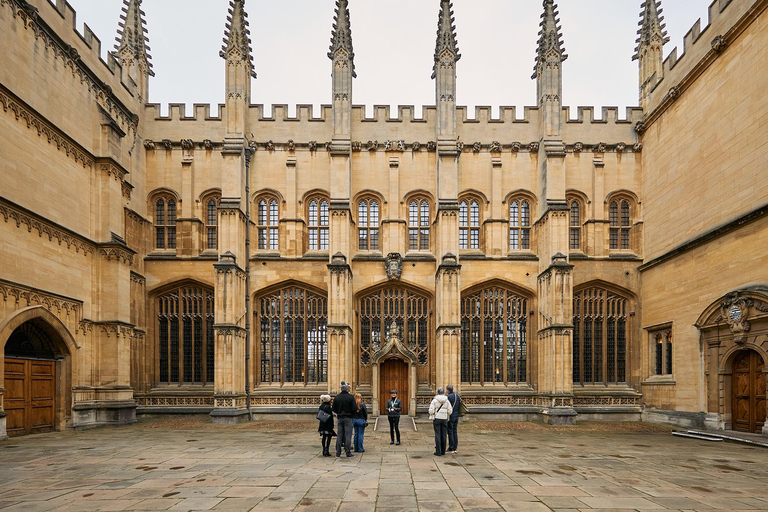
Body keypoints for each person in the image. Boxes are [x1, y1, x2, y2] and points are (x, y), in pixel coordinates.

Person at [331, 381, 356, 458]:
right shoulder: (351, 397)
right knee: (348, 436)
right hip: (348, 418)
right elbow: (354, 408)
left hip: (340, 418)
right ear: (347, 389)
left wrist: (337, 413)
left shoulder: (337, 397)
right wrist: (351, 414)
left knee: (339, 435)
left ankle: (338, 453)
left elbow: (333, 409)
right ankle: (348, 452)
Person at [429, 387, 453, 456]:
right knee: (444, 435)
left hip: (437, 418)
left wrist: (433, 413)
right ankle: (443, 451)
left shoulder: (434, 400)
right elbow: (450, 410)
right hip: (444, 419)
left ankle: (438, 451)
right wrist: (446, 414)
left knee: (437, 434)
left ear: (437, 392)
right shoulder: (447, 400)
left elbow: (430, 410)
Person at [446, 384, 460, 454]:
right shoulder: (457, 396)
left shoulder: (448, 397)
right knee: (455, 431)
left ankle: (451, 447)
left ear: (448, 390)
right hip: (456, 416)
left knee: (450, 431)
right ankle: (455, 447)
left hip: (451, 416)